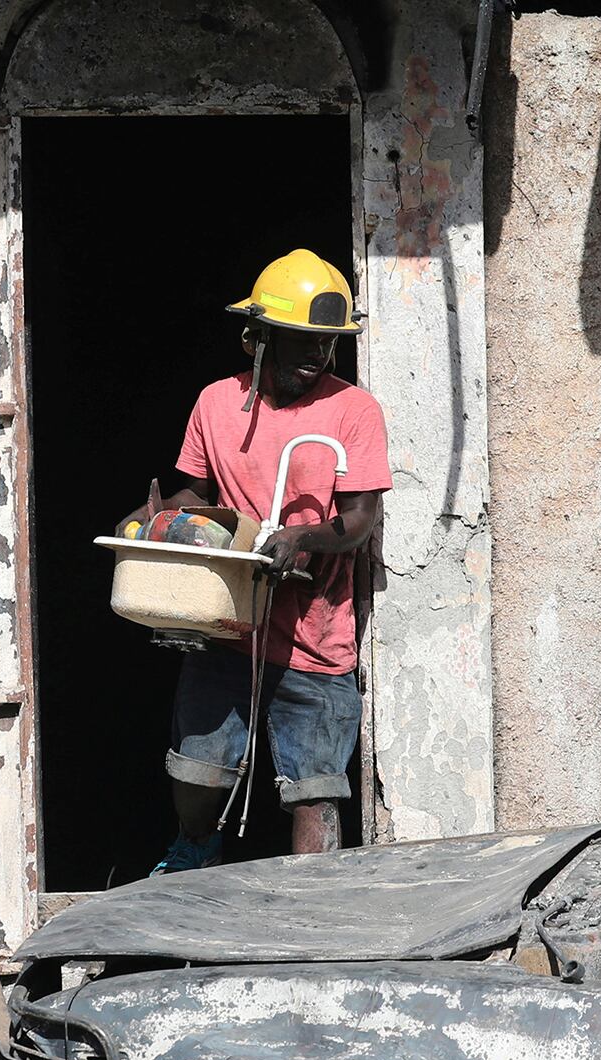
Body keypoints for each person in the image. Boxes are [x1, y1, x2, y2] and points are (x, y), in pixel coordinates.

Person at [117, 250, 391, 873]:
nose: (315, 358)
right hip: (226, 625)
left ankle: (310, 903)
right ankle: (192, 862)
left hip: (316, 635)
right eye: (299, 341)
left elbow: (359, 521)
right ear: (256, 336)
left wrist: (302, 539)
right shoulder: (217, 403)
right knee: (198, 770)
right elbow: (195, 493)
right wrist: (154, 518)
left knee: (315, 789)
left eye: (326, 345)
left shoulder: (353, 411)